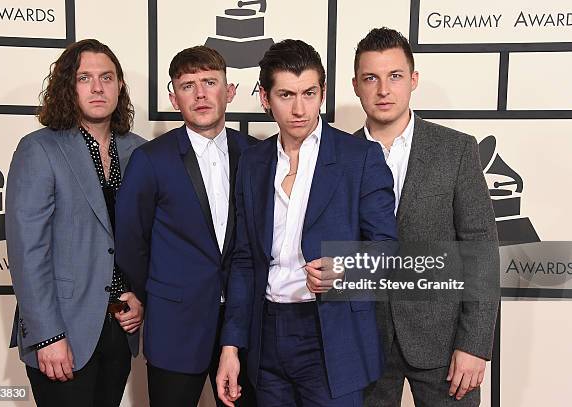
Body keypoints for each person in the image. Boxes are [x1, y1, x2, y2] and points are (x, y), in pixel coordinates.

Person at [216, 39, 397, 407]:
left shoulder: (358, 157)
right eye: (285, 95)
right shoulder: (253, 163)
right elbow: (244, 259)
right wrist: (231, 346)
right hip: (266, 332)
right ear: (265, 99)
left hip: (331, 331)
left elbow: (387, 248)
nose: (299, 108)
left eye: (309, 93)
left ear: (323, 92)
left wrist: (343, 268)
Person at [352, 27, 499, 406]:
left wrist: (474, 344)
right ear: (356, 85)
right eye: (371, 78)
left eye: (395, 76)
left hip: (447, 345)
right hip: (362, 344)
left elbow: (480, 251)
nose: (383, 89)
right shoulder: (336, 156)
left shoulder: (456, 150)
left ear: (413, 80)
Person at [115, 45, 256, 407]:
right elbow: (131, 240)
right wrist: (161, 292)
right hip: (175, 324)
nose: (201, 93)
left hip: (245, 324)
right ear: (173, 98)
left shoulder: (257, 155)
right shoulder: (150, 159)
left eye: (210, 82)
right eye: (188, 85)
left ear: (231, 90)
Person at [6, 39, 145, 407]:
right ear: (68, 86)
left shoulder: (139, 151)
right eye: (85, 78)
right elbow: (27, 251)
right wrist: (47, 336)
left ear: (119, 86)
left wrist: (139, 296)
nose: (98, 87)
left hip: (119, 324)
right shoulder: (40, 149)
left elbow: (145, 239)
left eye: (107, 77)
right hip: (62, 329)